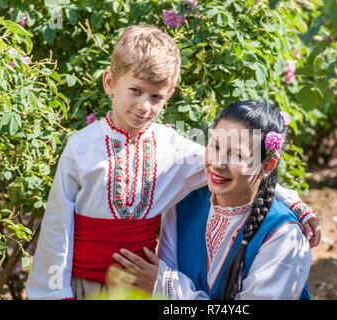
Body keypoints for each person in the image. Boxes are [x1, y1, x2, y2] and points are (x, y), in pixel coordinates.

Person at [25, 25, 320, 300]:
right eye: (135, 91)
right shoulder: (81, 147)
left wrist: (294, 204)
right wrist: (56, 291)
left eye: (156, 97)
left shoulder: (172, 150)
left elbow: (244, 172)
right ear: (110, 82)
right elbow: (57, 224)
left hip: (139, 289)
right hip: (83, 285)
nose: (144, 106)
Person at [112, 100, 312, 299]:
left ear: (267, 166)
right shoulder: (185, 201)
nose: (218, 163)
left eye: (237, 155)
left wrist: (164, 286)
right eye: (215, 146)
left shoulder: (284, 236)